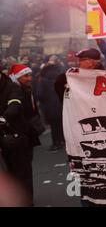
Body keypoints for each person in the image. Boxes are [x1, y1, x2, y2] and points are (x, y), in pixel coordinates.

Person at [8, 64, 42, 202]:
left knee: (24, 169)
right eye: (25, 76)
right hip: (18, 135)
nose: (29, 78)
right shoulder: (13, 91)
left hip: (27, 135)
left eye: (29, 75)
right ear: (17, 77)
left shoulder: (27, 89)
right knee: (19, 171)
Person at [0, 70, 33, 206]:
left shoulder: (12, 86)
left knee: (21, 172)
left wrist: (4, 117)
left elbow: (15, 103)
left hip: (16, 135)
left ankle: (26, 201)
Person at [37, 56, 64, 151]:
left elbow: (39, 94)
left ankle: (56, 143)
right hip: (62, 105)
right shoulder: (61, 78)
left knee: (54, 126)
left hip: (49, 106)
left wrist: (44, 102)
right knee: (61, 124)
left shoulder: (43, 80)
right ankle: (62, 141)